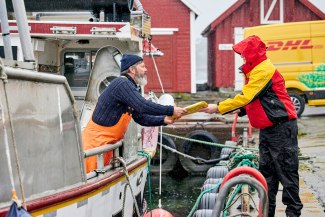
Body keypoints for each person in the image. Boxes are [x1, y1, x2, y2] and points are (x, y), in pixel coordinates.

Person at [200, 36, 303, 217]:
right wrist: (242, 111)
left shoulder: (263, 70)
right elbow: (260, 99)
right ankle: (266, 213)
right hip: (268, 130)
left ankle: (293, 214)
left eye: (243, 55)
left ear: (251, 54)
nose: (242, 58)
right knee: (267, 176)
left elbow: (248, 96)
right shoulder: (256, 70)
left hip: (282, 128)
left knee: (287, 174)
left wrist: (218, 107)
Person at [82, 53, 187, 173]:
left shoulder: (129, 87)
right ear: (132, 69)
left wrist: (163, 120)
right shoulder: (122, 84)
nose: (146, 69)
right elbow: (142, 105)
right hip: (94, 146)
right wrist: (170, 110)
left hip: (106, 147)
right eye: (142, 66)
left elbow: (141, 118)